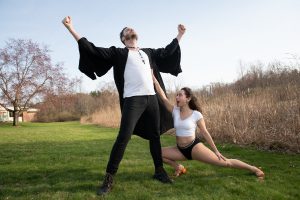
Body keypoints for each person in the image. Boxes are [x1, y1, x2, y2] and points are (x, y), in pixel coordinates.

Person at [62, 16, 186, 195]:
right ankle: (108, 179)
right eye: (127, 30)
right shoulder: (118, 53)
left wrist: (179, 35)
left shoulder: (148, 53)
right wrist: (71, 28)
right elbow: (93, 50)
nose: (130, 30)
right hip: (132, 100)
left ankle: (159, 171)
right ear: (123, 38)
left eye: (131, 29)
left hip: (151, 99)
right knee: (123, 137)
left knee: (154, 136)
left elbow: (167, 52)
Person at [152, 75, 265, 179]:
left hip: (194, 148)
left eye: (180, 95)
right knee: (157, 153)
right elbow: (163, 98)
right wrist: (154, 80)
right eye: (177, 95)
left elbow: (205, 133)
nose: (177, 97)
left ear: (188, 98)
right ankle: (179, 168)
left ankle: (253, 168)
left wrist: (216, 151)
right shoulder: (175, 111)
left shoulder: (196, 114)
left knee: (226, 163)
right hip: (180, 149)